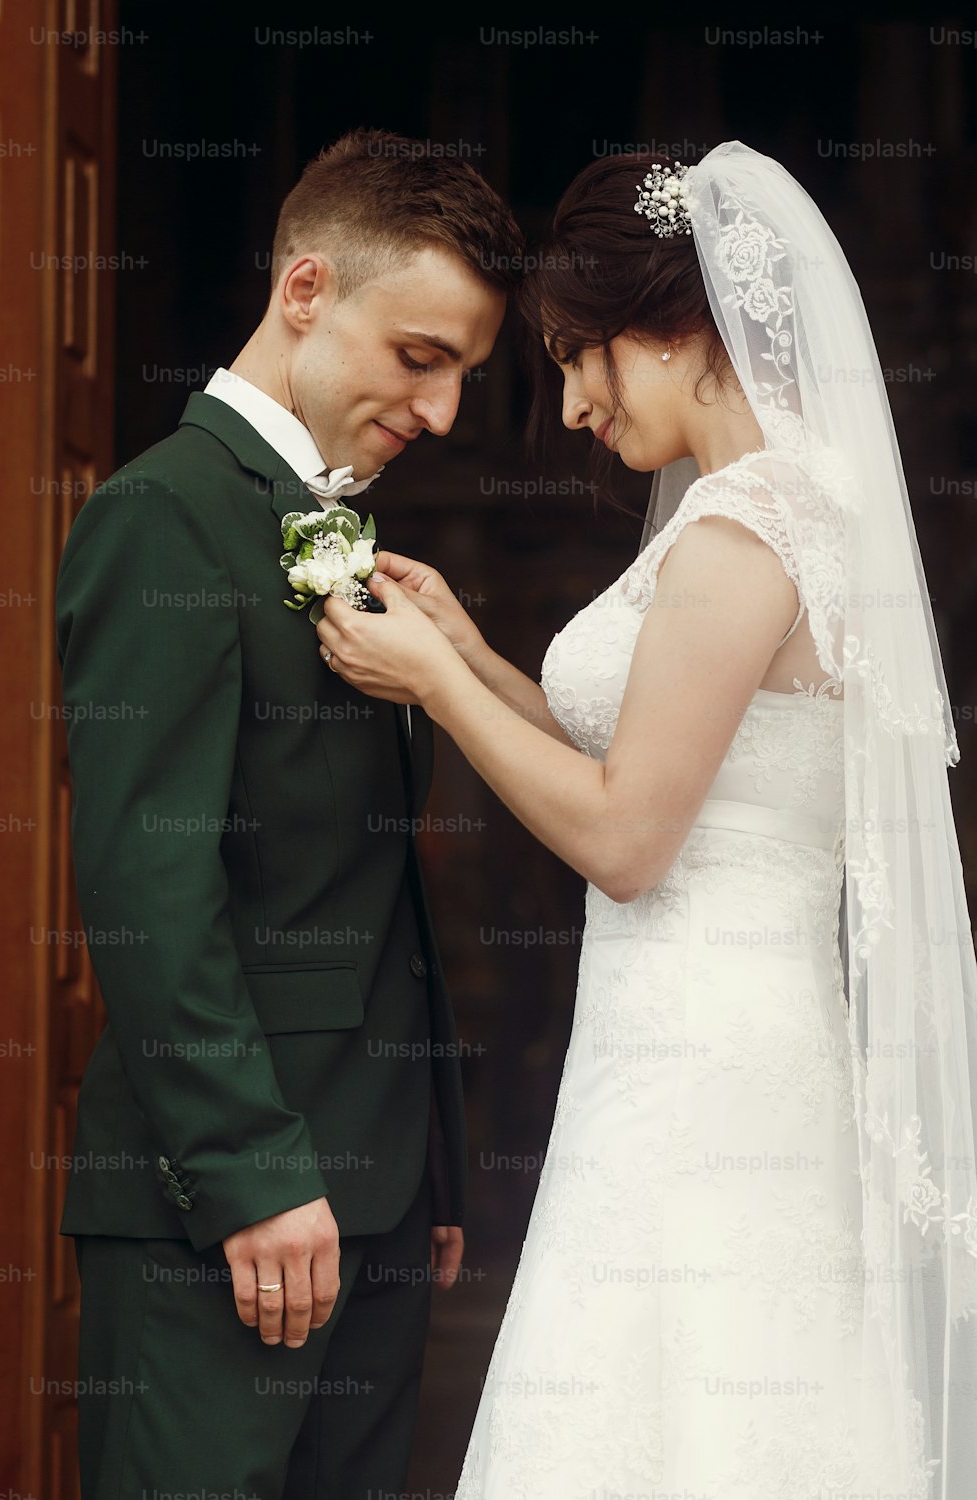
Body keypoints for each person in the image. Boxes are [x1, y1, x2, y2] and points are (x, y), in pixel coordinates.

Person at [319, 142, 977, 1498]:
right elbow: (654, 763)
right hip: (681, 1042)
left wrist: (440, 688)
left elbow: (628, 842)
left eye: (580, 357)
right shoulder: (756, 516)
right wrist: (476, 651)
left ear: (676, 331)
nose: (568, 405)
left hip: (709, 1062)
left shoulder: (749, 531)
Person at [53, 128, 520, 1499]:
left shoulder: (350, 540)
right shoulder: (163, 519)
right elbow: (151, 888)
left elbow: (365, 890)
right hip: (224, 1212)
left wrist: (424, 1148)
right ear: (306, 290)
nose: (439, 414)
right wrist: (255, 1175)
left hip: (374, 1199)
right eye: (420, 358)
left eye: (465, 378)